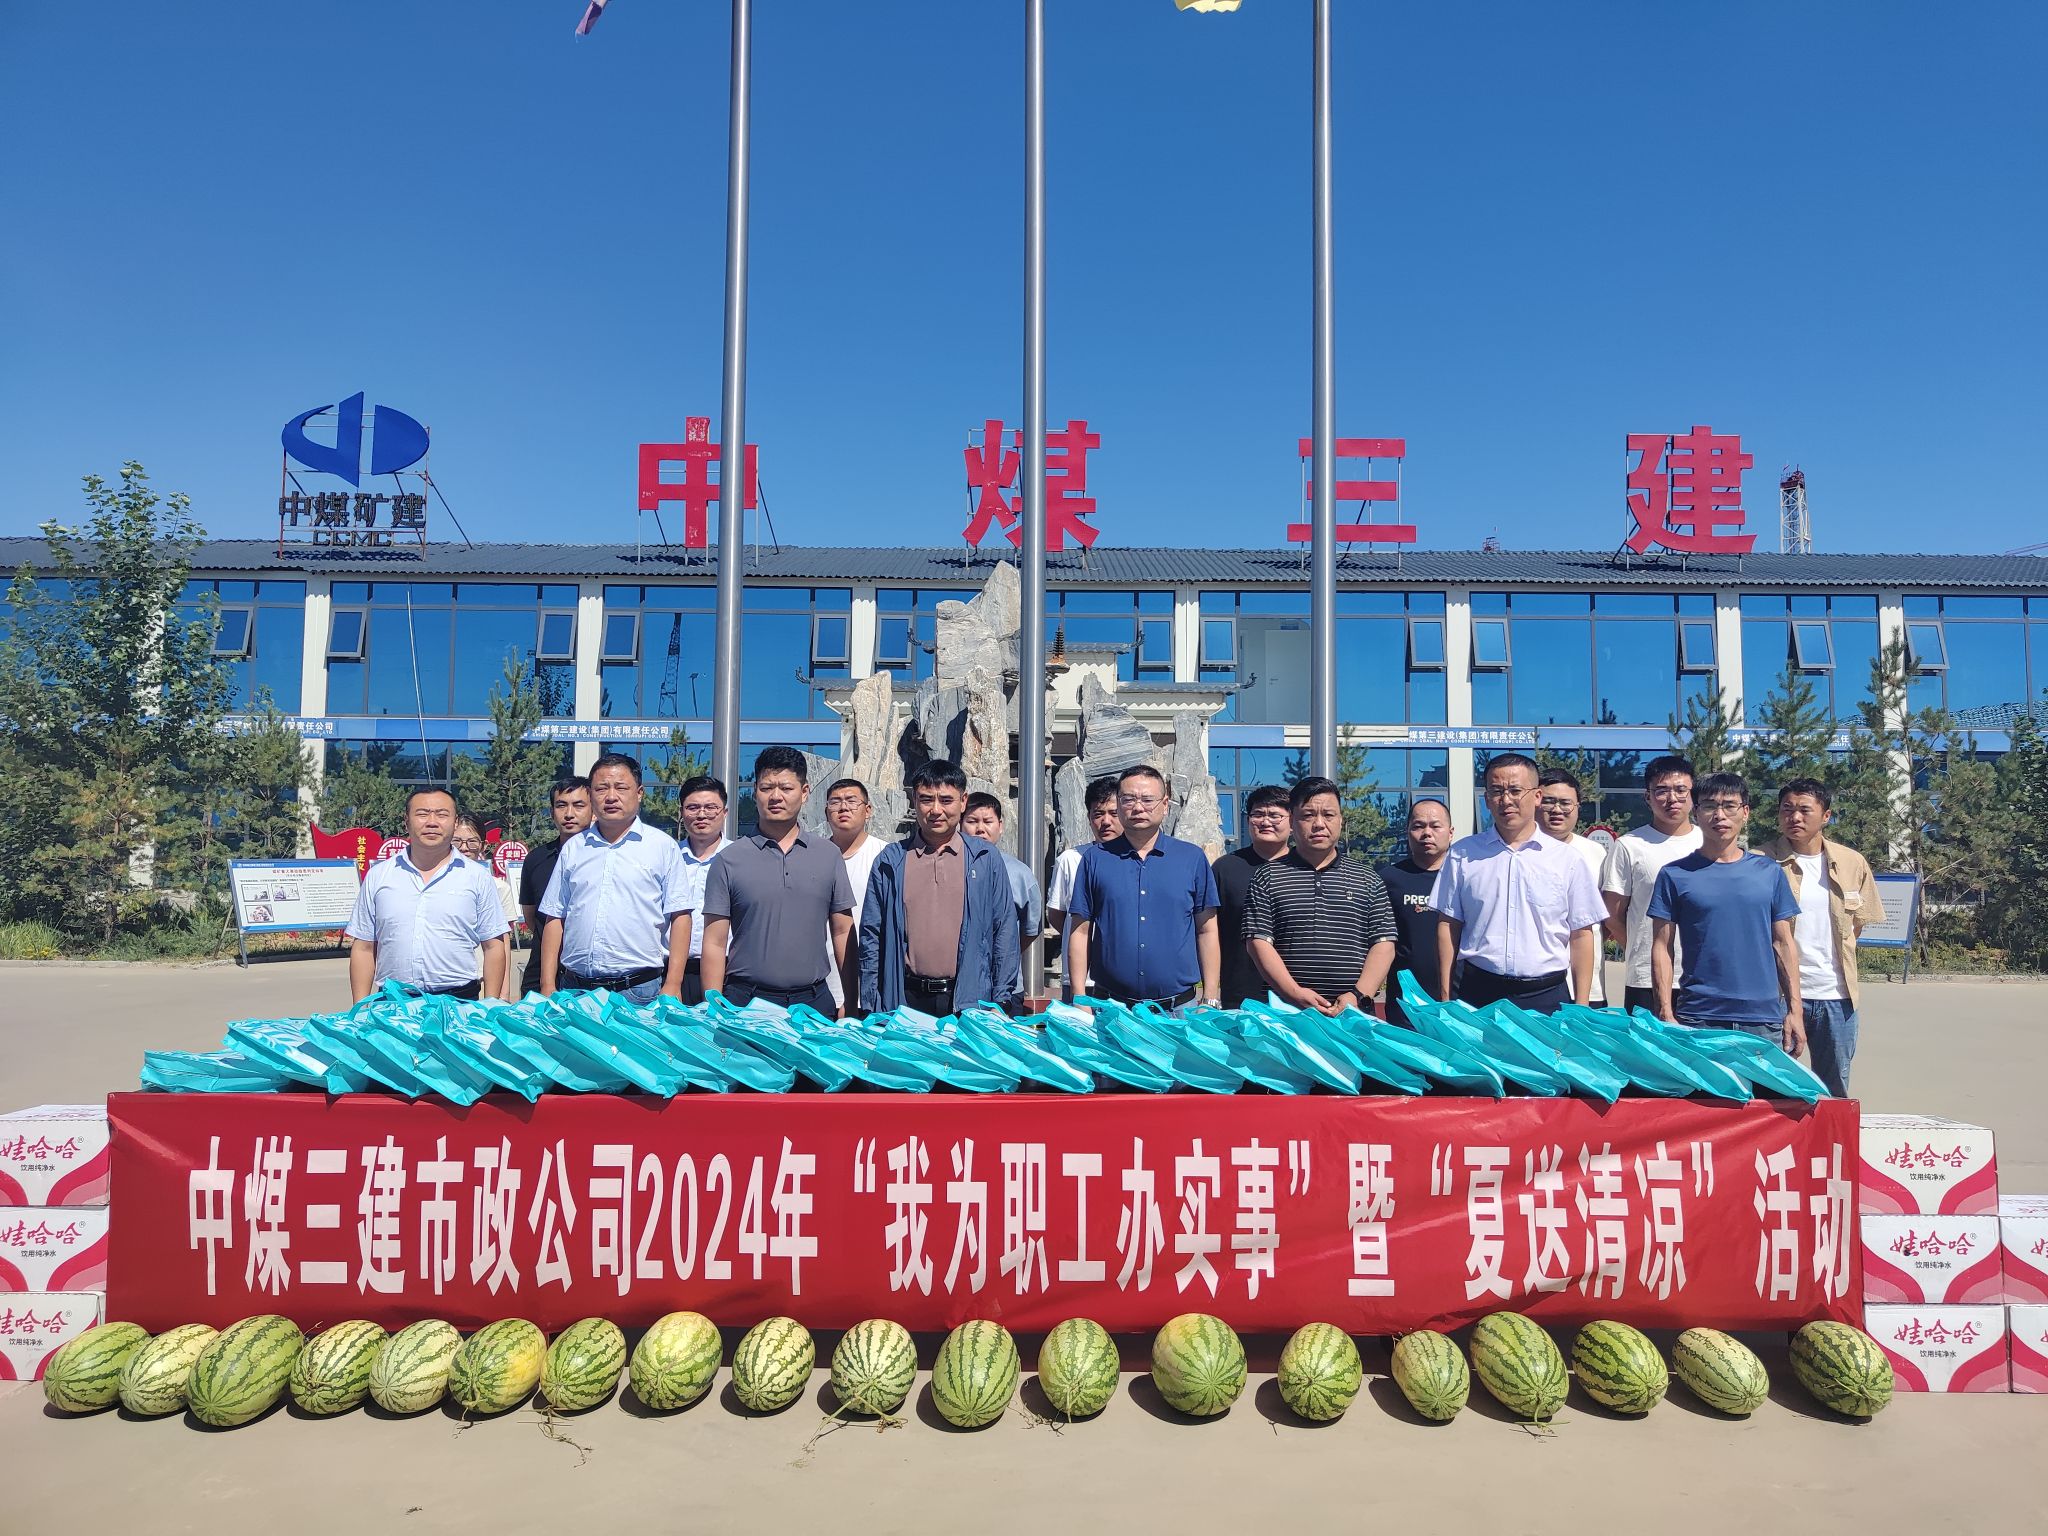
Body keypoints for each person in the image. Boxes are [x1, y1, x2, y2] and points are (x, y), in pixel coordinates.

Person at [1429, 753, 1605, 1014]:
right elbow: (1448, 925)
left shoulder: (1567, 859)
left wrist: (1581, 1006)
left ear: (1537, 796)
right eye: (1497, 791)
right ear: (1487, 799)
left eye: (1515, 790)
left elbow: (1581, 934)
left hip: (1546, 996)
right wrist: (1445, 997)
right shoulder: (1463, 854)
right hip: (1478, 992)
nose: (1506, 800)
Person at [1648, 773, 1804, 1054]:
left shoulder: (1769, 873)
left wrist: (1795, 1010)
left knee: (1763, 1087)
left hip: (1762, 1019)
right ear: (1696, 813)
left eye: (1729, 805)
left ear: (1745, 812)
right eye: (1709, 806)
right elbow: (1662, 946)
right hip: (1698, 1017)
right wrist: (1665, 1010)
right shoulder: (1674, 875)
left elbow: (1783, 943)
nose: (1719, 815)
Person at [700, 747, 855, 1013]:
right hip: (745, 1003)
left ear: (804, 793)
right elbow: (714, 942)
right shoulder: (728, 860)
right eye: (766, 787)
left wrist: (851, 1002)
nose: (775, 796)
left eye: (786, 788)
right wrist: (714, 1007)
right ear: (754, 792)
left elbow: (843, 931)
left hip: (814, 1003)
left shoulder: (829, 855)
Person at [860, 761, 1021, 1016]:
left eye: (946, 800)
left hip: (969, 1001)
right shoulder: (890, 860)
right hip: (905, 1000)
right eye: (926, 799)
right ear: (914, 800)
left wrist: (1002, 999)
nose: (936, 810)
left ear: (963, 801)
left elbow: (1004, 930)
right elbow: (871, 935)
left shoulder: (984, 858)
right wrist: (870, 1003)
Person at [1760, 778, 1885, 1095]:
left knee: (1835, 1088)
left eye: (1804, 810)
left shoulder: (1851, 862)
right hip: (1776, 996)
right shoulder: (1760, 861)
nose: (1794, 817)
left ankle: (1832, 1132)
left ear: (1826, 816)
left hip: (1837, 997)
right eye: (1787, 809)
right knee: (1772, 1085)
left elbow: (1857, 925)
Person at [537, 753, 693, 1004]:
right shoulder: (574, 848)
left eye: (621, 788)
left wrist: (674, 983)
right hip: (575, 989)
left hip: (639, 991)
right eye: (601, 789)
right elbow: (555, 916)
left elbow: (681, 916)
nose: (611, 797)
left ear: (639, 793)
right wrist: (547, 984)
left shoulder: (662, 847)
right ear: (591, 794)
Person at [1067, 765, 1221, 1009]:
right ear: (1119, 804)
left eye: (1148, 800)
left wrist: (1210, 997)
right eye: (1128, 799)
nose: (1138, 808)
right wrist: (1079, 999)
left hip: (1179, 1009)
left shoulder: (1191, 859)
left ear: (1165, 804)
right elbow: (1080, 931)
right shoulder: (1095, 859)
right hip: (1112, 1007)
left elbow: (1207, 930)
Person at [1244, 776, 1398, 1015]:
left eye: (1328, 815)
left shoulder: (1367, 878)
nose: (1319, 824)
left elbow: (1384, 944)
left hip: (1353, 1014)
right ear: (1292, 821)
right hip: (1287, 1014)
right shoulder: (1267, 876)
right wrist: (1294, 993)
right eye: (1308, 815)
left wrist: (1358, 995)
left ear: (1341, 820)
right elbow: (1258, 942)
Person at [345, 788, 508, 1003]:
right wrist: (360, 1008)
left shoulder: (477, 877)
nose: (432, 822)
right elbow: (364, 947)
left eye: (442, 814)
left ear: (455, 822)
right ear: (406, 821)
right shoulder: (379, 876)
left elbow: (493, 945)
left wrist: (489, 1006)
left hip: (459, 1002)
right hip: (394, 1003)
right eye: (422, 814)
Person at [1601, 754, 1702, 1015]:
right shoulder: (1629, 845)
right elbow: (1612, 914)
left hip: (1704, 977)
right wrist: (1640, 948)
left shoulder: (1710, 842)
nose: (1672, 798)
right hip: (1646, 978)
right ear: (1648, 797)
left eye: (1681, 790)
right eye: (1661, 790)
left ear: (1693, 795)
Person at [1534, 769, 1609, 1007]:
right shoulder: (1520, 853)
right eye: (1548, 802)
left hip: (1589, 988)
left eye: (1565, 803)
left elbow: (1607, 917)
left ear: (1577, 806)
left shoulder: (1595, 852)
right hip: (1537, 986)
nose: (1557, 810)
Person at [1044, 775, 1122, 1000]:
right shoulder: (1070, 859)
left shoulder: (1137, 861)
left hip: (1121, 980)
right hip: (1080, 980)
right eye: (1098, 814)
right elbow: (1057, 915)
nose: (1105, 821)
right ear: (1088, 818)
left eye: (1113, 813)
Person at [1213, 784, 1290, 1007]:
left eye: (1274, 815)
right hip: (1240, 994)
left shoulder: (1304, 869)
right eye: (1258, 814)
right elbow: (1210, 933)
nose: (1265, 822)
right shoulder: (1225, 868)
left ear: (1292, 822)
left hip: (1298, 996)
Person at [1379, 797, 1454, 1026]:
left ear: (1450, 833)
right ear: (1408, 832)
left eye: (1435, 826)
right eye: (1418, 826)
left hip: (1459, 1001)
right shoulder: (1389, 879)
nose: (1427, 833)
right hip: (1405, 1004)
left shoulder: (1464, 878)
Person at [518, 775, 592, 997]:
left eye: (579, 805)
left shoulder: (604, 858)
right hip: (540, 971)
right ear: (551, 812)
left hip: (586, 976)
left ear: (594, 810)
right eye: (561, 805)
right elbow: (532, 917)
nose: (569, 813)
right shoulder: (536, 859)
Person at [822, 778, 886, 1012]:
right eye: (835, 802)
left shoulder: (885, 856)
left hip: (871, 977)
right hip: (821, 981)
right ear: (826, 812)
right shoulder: (814, 856)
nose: (843, 808)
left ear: (868, 810)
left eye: (851, 801)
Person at [963, 791, 1043, 960]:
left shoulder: (1020, 873)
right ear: (960, 825)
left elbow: (1031, 928)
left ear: (1000, 826)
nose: (980, 829)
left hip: (1003, 971)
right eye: (972, 821)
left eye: (988, 822)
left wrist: (1005, 954)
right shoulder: (950, 867)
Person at [675, 775, 732, 1005]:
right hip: (674, 973)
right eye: (693, 808)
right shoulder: (669, 857)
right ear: (682, 812)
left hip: (729, 972)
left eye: (710, 807)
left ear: (724, 812)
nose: (701, 814)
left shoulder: (739, 858)